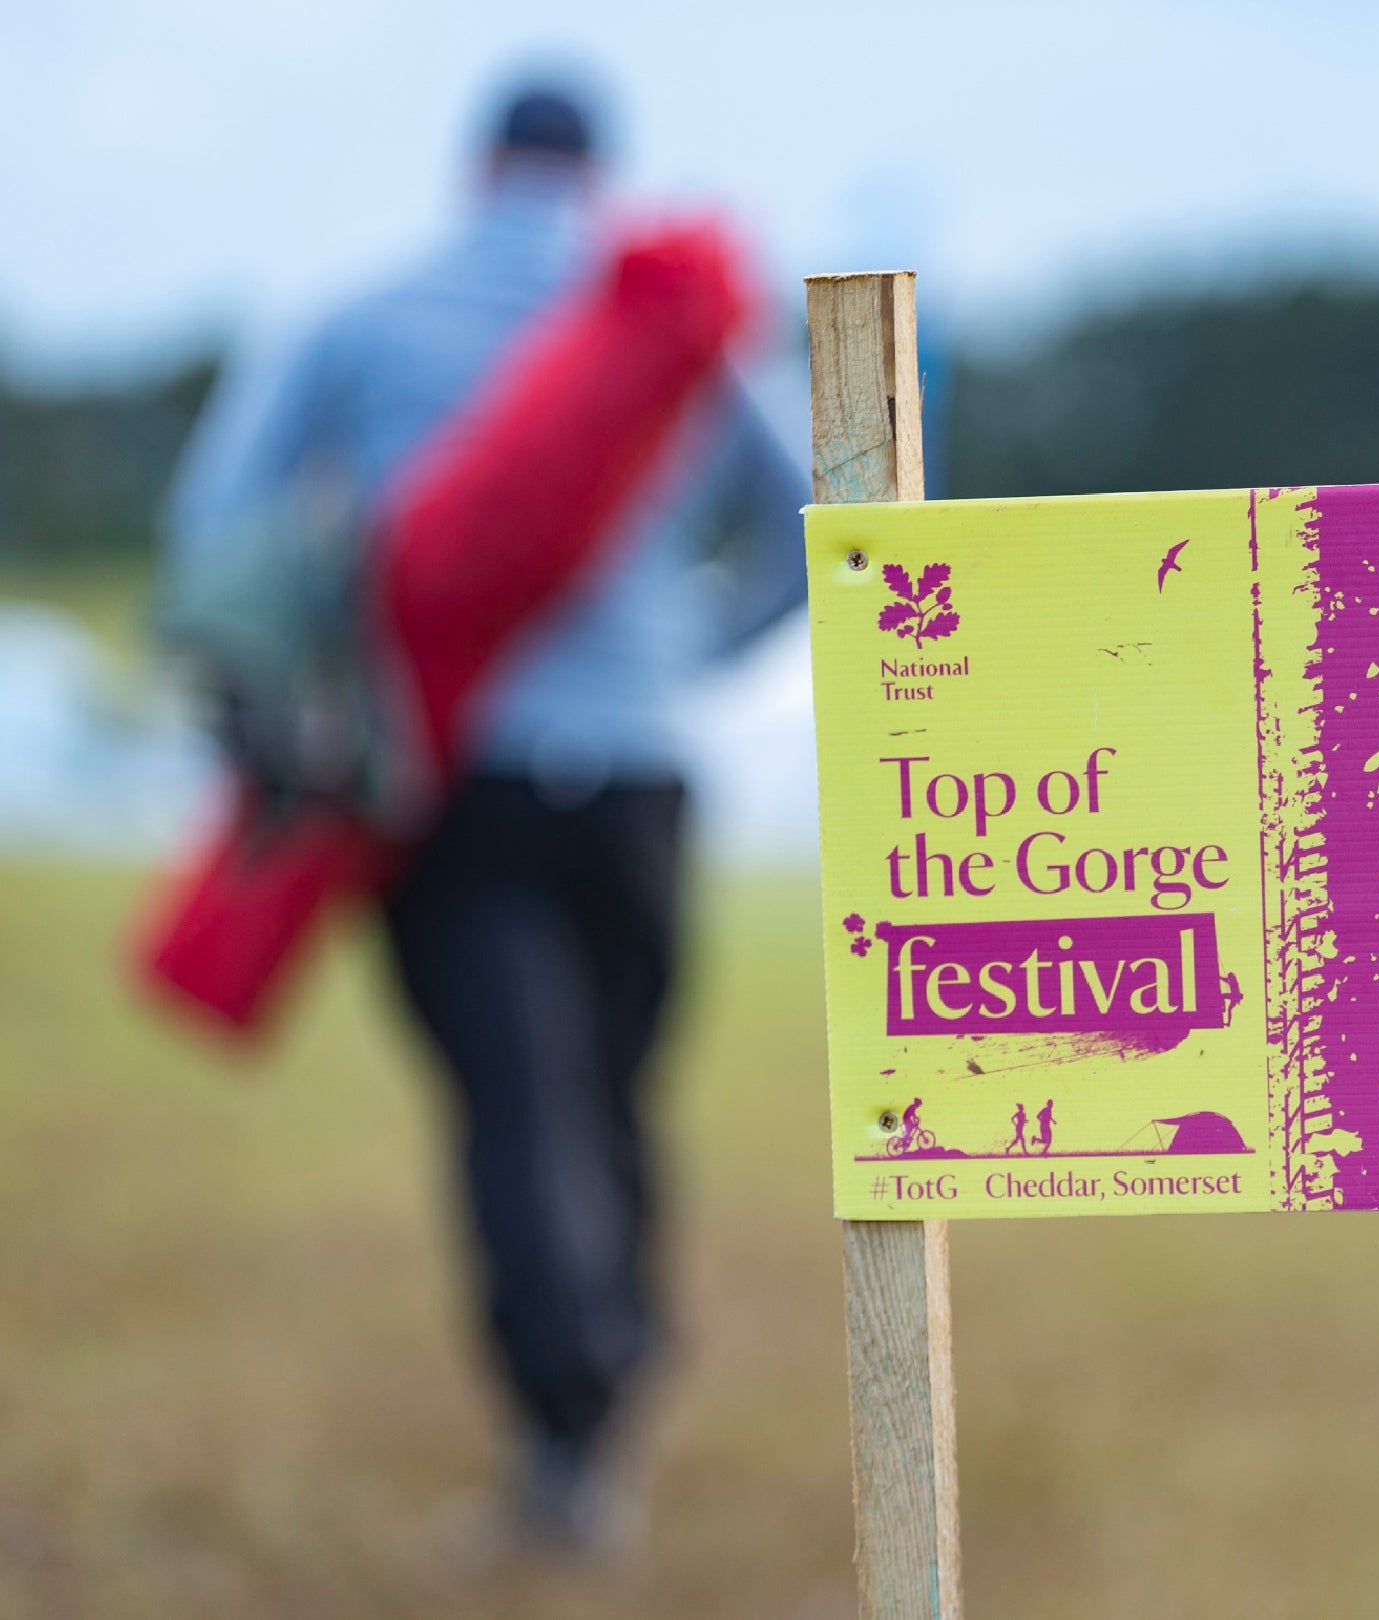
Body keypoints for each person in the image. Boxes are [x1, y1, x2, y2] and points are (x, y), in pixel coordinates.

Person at [162, 81, 808, 1554]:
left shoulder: (362, 314)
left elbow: (217, 530)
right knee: (615, 1091)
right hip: (642, 779)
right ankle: (615, 1367)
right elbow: (802, 521)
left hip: (451, 781)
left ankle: (568, 1431)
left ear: (478, 168)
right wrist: (682, 656)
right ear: (602, 175)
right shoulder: (682, 321)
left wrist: (331, 646)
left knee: (514, 1109)